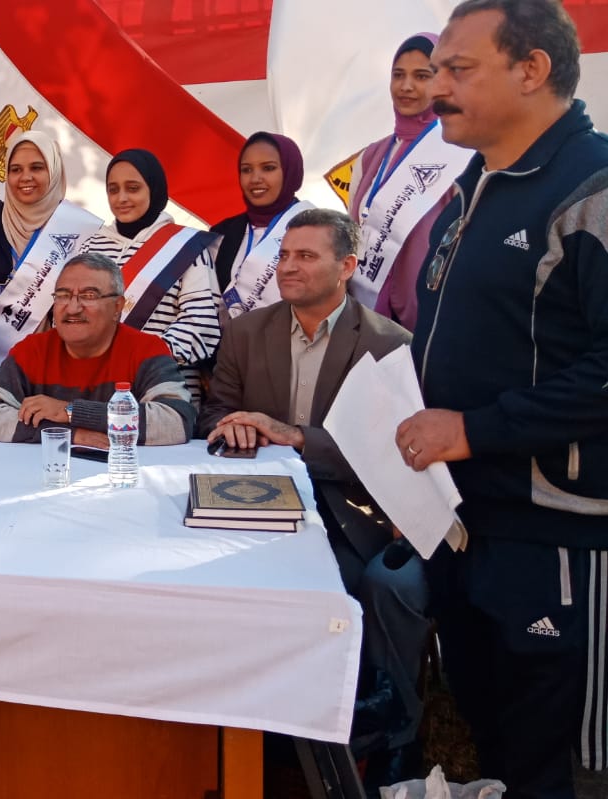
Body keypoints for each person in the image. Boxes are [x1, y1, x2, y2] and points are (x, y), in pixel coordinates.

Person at [398, 2, 608, 794]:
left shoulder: (593, 187)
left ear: (531, 69)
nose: (433, 89)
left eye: (457, 70)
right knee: (496, 757)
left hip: (558, 536)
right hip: (466, 523)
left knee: (561, 771)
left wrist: (474, 429)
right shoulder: (470, 188)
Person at [198, 209, 425, 786]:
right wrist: (237, 428)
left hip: (348, 511)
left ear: (347, 266)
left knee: (338, 593)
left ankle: (370, 739)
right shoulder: (246, 332)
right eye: (283, 255)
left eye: (305, 256)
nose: (287, 267)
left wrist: (297, 438)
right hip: (253, 500)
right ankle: (255, 741)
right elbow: (213, 414)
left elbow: (390, 451)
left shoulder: (387, 344)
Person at [0, 252, 194, 445]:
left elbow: (176, 422)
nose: (73, 308)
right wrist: (70, 434)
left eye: (88, 296)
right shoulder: (33, 350)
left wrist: (71, 411)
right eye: (63, 296)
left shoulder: (146, 349)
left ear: (117, 307)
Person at [0, 130, 104, 369]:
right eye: (16, 169)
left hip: (62, 366)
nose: (25, 177)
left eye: (37, 168)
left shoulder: (80, 229)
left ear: (54, 171)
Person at [346, 33, 468, 330]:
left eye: (421, 76)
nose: (406, 86)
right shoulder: (370, 157)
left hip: (430, 318)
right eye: (398, 75)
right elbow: (353, 227)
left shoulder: (461, 155)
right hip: (367, 317)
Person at [82, 149, 222, 406]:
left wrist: (140, 357)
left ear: (154, 189)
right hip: (96, 390)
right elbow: (72, 312)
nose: (122, 198)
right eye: (113, 189)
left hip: (167, 390)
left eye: (133, 188)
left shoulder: (186, 246)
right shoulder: (90, 247)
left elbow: (200, 323)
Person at [210, 133, 315, 318]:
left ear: (291, 172)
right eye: (246, 170)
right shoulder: (221, 233)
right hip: (229, 335)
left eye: (268, 168)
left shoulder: (320, 229)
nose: (255, 178)